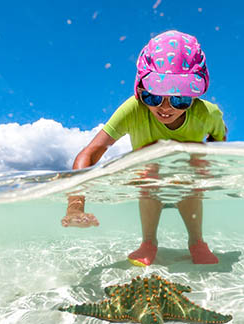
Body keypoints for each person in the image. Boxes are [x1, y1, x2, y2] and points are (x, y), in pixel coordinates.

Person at [61, 30, 227, 267]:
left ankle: (196, 242)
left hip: (187, 174)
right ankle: (149, 242)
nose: (165, 108)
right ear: (140, 90)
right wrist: (75, 206)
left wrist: (208, 167)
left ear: (195, 96)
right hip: (148, 177)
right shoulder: (134, 110)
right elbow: (90, 153)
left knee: (189, 183)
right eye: (153, 97)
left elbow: (219, 140)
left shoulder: (207, 113)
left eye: (180, 99)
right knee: (148, 178)